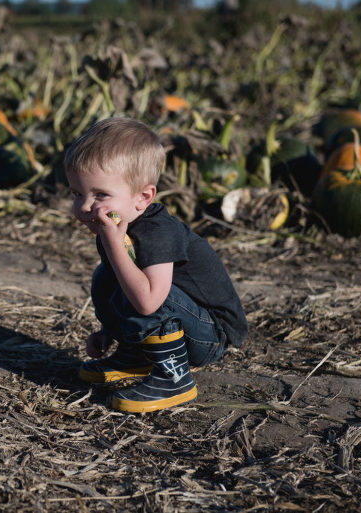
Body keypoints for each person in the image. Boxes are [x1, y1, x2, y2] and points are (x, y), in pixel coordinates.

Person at [64, 117, 247, 413]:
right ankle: (136, 356)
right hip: (182, 319)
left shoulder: (158, 232)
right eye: (76, 193)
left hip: (210, 335)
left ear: (143, 197)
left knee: (146, 290)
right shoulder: (113, 227)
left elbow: (149, 302)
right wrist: (109, 330)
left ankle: (174, 377)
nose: (85, 206)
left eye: (100, 195)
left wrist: (113, 244)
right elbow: (120, 285)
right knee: (106, 277)